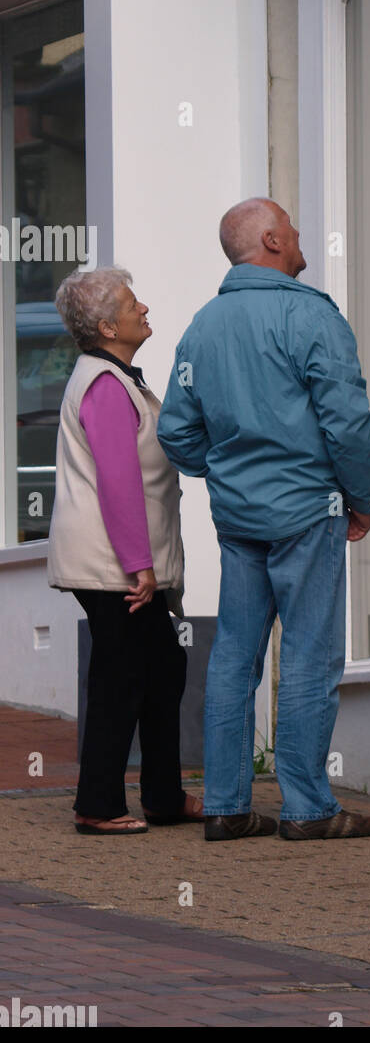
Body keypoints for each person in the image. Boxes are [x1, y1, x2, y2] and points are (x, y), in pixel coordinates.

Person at [157, 198, 370, 843]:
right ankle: (308, 809)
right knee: (309, 656)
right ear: (275, 239)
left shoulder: (203, 325)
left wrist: (227, 471)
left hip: (239, 515)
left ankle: (225, 806)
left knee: (233, 656)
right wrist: (360, 496)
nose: (303, 237)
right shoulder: (309, 313)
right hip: (310, 507)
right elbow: (348, 421)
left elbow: (176, 429)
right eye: (296, 228)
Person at [47, 267, 202, 834]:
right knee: (124, 675)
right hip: (115, 567)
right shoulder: (106, 386)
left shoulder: (117, 378)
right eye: (133, 304)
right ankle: (99, 805)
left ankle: (161, 795)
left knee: (160, 667)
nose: (144, 309)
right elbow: (118, 481)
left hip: (123, 565)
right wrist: (140, 564)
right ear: (108, 325)